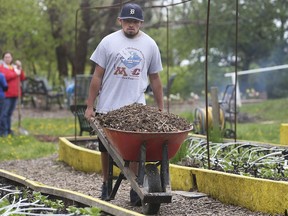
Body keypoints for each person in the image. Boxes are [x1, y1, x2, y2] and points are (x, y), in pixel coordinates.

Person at [84, 3, 164, 205]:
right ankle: (106, 183)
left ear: (141, 23)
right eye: (127, 21)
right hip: (108, 107)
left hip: (136, 109)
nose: (131, 25)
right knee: (105, 149)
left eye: (135, 22)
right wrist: (90, 106)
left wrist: (161, 107)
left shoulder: (150, 45)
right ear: (120, 21)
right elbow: (97, 76)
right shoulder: (108, 42)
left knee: (137, 149)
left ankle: (135, 188)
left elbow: (155, 79)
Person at [0, 52, 26, 136]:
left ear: (12, 58)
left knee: (9, 113)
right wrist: (16, 73)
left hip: (15, 94)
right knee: (4, 113)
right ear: (3, 58)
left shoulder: (14, 68)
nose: (8, 59)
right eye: (6, 57)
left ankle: (8, 129)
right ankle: (3, 131)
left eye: (9, 57)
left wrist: (20, 68)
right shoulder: (2, 68)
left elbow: (22, 77)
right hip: (6, 94)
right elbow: (6, 76)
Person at [0, 71, 8, 136]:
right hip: (1, 96)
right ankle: (3, 132)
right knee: (2, 114)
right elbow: (5, 86)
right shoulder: (1, 75)